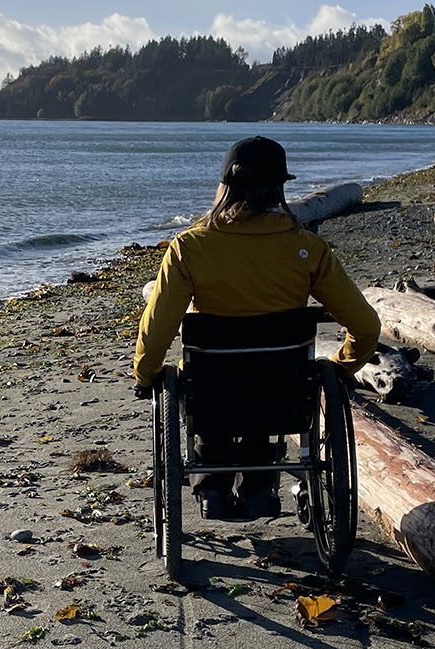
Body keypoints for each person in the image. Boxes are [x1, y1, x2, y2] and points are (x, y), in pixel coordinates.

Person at [132, 136, 380, 520]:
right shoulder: (308, 250)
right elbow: (365, 326)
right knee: (269, 391)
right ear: (280, 188)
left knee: (202, 385)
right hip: (284, 391)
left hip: (213, 390)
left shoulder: (190, 248)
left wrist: (146, 374)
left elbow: (158, 329)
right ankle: (259, 486)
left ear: (225, 187)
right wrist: (342, 368)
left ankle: (213, 485)